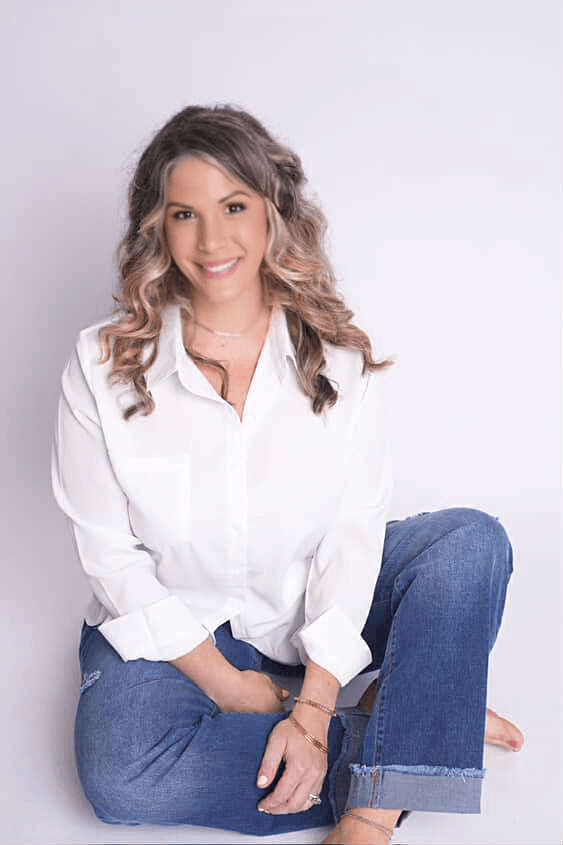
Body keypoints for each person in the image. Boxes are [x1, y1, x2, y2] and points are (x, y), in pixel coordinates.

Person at [51, 103, 524, 845]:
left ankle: (374, 807)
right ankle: (427, 734)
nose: (212, 239)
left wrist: (313, 708)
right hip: (180, 632)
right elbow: (112, 556)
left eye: (233, 205)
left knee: (469, 542)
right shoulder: (100, 364)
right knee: (121, 773)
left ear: (273, 211)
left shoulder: (336, 358)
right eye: (184, 214)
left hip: (308, 601)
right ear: (156, 226)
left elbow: (350, 532)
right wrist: (228, 685)